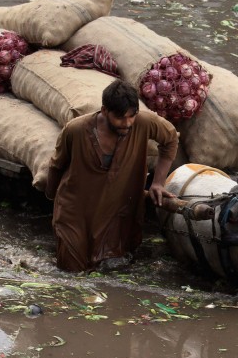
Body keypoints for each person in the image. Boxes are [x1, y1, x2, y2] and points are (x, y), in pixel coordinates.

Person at [45, 79, 179, 272]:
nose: (127, 123)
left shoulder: (144, 123)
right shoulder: (75, 130)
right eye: (120, 118)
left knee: (115, 268)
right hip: (75, 213)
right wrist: (50, 197)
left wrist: (157, 183)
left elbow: (171, 139)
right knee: (71, 271)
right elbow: (56, 166)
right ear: (104, 110)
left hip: (116, 211)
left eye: (131, 116)